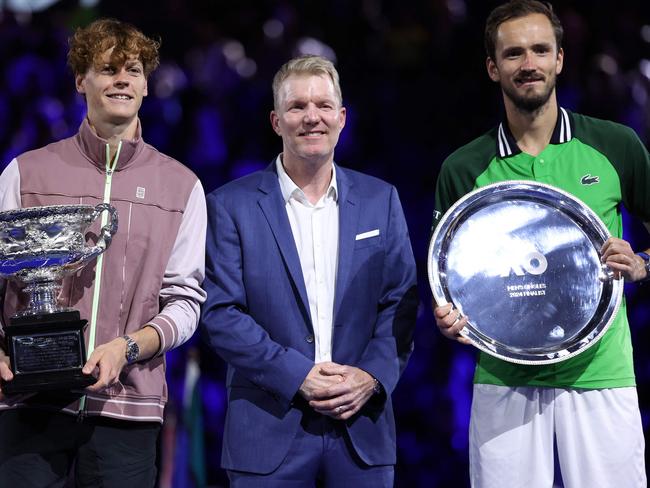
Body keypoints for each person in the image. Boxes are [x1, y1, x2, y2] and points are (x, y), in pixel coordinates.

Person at [433, 1, 650, 487]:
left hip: (602, 373)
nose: (527, 63)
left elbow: (644, 259)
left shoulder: (615, 145)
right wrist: (445, 315)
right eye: (513, 54)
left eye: (539, 50)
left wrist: (641, 264)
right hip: (504, 379)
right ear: (493, 67)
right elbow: (445, 278)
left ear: (559, 59)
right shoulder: (464, 168)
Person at [0, 19, 206, 487]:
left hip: (126, 406)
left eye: (133, 69)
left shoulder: (182, 186)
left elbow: (186, 302)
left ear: (147, 85)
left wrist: (126, 348)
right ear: (80, 81)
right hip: (28, 401)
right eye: (107, 68)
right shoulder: (25, 173)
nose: (121, 79)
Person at [201, 54, 418, 487]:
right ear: (276, 121)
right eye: (297, 106)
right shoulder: (230, 205)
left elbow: (402, 301)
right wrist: (296, 375)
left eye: (322, 106)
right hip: (267, 430)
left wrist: (370, 376)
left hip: (361, 428)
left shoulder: (382, 200)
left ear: (341, 118)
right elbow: (220, 314)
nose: (311, 117)